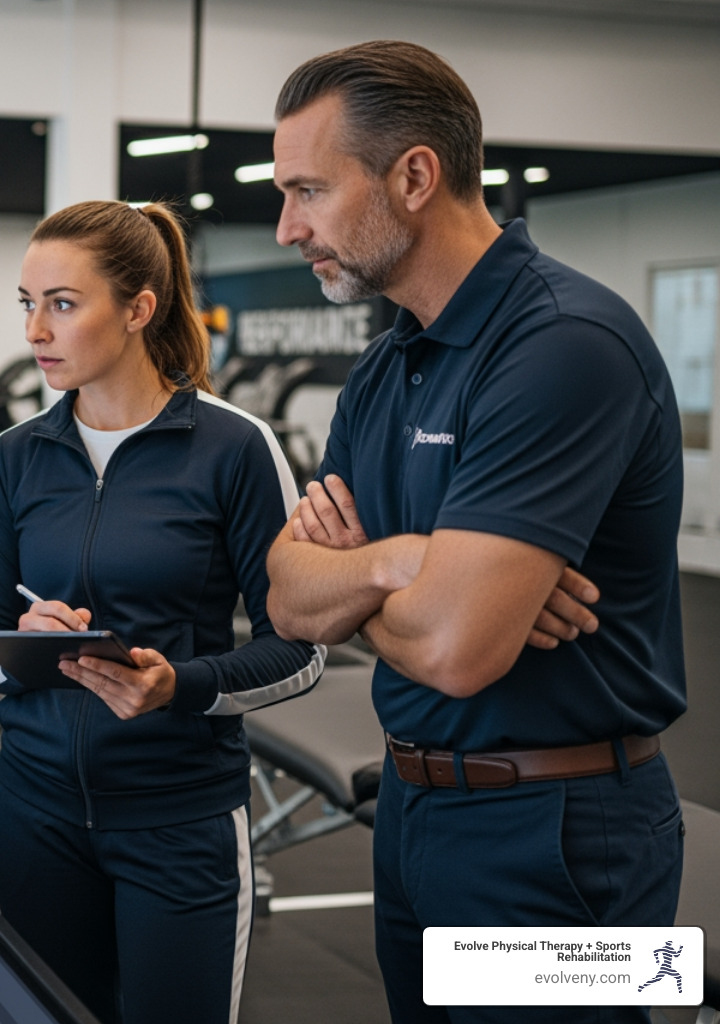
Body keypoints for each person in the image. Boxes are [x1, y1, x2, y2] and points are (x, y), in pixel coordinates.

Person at [262, 41, 685, 1023]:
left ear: (414, 177)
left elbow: (456, 649)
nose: (288, 227)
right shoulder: (385, 369)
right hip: (413, 809)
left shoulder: (564, 345)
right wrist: (410, 564)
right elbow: (285, 595)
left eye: (308, 191)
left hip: (558, 832)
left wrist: (361, 580)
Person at [0, 200, 324, 1024]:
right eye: (28, 303)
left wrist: (178, 685)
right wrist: (21, 643)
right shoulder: (17, 457)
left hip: (179, 821)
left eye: (62, 303)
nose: (36, 330)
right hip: (35, 815)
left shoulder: (234, 449)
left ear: (138, 309)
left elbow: (300, 650)